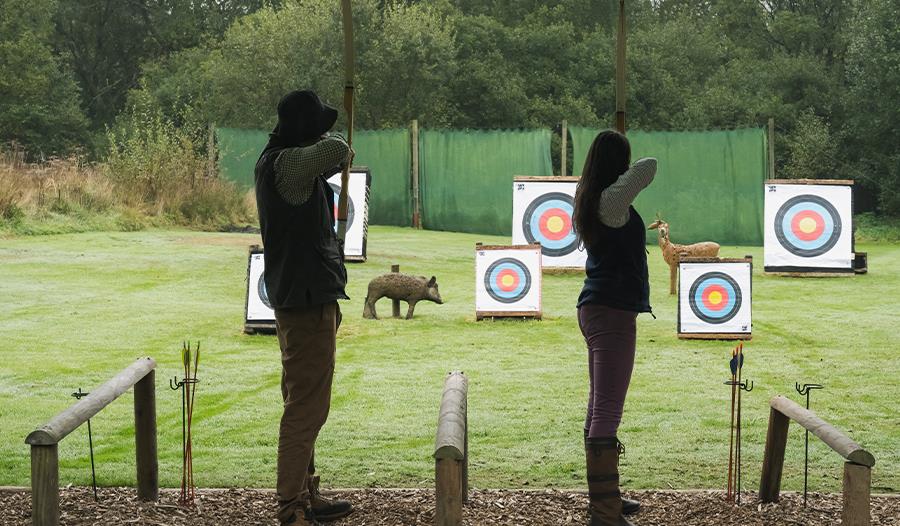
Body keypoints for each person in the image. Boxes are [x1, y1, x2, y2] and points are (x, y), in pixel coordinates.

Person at [254, 90, 355, 526]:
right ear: (302, 131)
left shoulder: (280, 163)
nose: (323, 134)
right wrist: (333, 143)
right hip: (306, 302)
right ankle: (290, 505)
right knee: (306, 408)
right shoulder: (288, 164)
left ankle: (305, 494)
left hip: (303, 298)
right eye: (315, 126)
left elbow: (329, 155)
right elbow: (337, 150)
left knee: (304, 401)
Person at [572, 130, 657, 526]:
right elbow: (648, 168)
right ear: (617, 162)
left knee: (599, 405)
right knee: (607, 409)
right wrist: (623, 156)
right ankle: (604, 512)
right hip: (611, 314)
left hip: (600, 310)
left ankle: (607, 497)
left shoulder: (596, 195)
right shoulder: (610, 201)